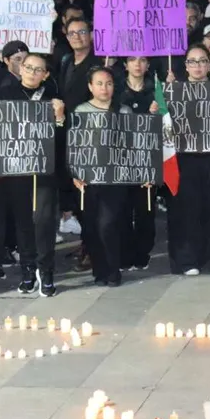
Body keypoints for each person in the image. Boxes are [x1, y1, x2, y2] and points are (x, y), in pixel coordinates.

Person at [0, 53, 66, 295]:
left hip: (44, 172)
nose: (33, 72)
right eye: (29, 67)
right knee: (23, 224)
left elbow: (63, 141)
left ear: (46, 75)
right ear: (20, 69)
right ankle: (27, 271)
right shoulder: (3, 95)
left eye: (38, 69)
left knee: (43, 223)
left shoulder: (53, 100)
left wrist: (61, 118)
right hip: (16, 171)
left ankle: (46, 272)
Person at [167, 45, 210, 276]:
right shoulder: (174, 90)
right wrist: (161, 104)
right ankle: (187, 260)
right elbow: (164, 127)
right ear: (185, 66)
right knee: (187, 209)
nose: (198, 66)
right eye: (192, 61)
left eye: (202, 61)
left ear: (209, 64)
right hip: (185, 159)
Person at [72, 66, 132, 287]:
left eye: (108, 83)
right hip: (89, 179)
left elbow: (134, 146)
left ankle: (113, 270)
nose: (104, 88)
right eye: (99, 83)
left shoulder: (124, 112)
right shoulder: (81, 111)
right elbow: (76, 145)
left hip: (115, 178)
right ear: (90, 87)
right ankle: (100, 271)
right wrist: (75, 173)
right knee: (91, 227)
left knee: (108, 224)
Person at [117, 56, 157, 272]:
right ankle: (124, 252)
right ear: (125, 65)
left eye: (142, 60)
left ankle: (142, 252)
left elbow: (168, 125)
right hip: (121, 158)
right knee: (122, 207)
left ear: (148, 65)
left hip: (147, 157)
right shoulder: (114, 89)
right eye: (132, 60)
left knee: (145, 209)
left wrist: (158, 112)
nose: (137, 64)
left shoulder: (156, 90)